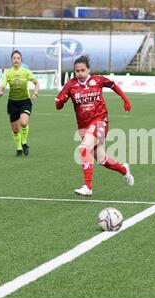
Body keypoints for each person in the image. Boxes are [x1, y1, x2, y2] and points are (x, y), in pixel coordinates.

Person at [55, 55, 134, 197]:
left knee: (83, 149)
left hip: (100, 121)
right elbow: (58, 105)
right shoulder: (70, 85)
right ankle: (124, 169)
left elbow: (113, 85)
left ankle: (88, 187)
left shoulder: (97, 80)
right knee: (102, 160)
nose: (79, 73)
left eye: (82, 70)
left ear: (88, 70)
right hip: (84, 127)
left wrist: (125, 99)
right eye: (77, 71)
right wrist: (61, 101)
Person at [0, 50, 39, 157]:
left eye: (18, 58)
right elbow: (2, 84)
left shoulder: (26, 72)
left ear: (21, 60)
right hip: (12, 103)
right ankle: (19, 148)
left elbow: (36, 82)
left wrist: (35, 93)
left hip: (25, 101)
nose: (16, 60)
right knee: (15, 129)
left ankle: (24, 142)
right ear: (11, 60)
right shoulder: (8, 73)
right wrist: (1, 90)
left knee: (24, 123)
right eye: (14, 58)